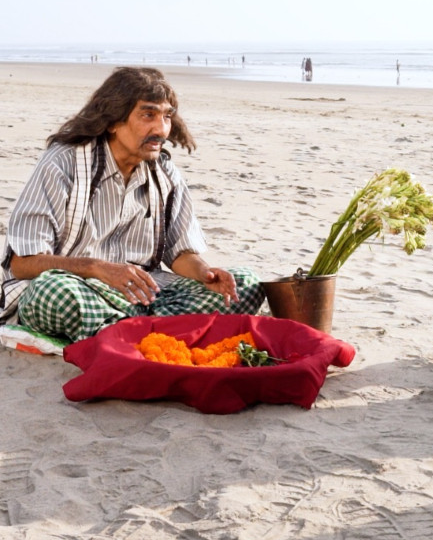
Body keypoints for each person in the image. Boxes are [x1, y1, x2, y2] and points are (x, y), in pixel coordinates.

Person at [0, 67, 265, 342]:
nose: (160, 128)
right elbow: (22, 263)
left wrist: (205, 273)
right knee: (52, 293)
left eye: (167, 116)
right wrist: (97, 268)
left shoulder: (165, 173)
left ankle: (131, 334)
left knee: (246, 283)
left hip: (145, 294)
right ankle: (157, 334)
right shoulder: (64, 163)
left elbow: (179, 254)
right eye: (148, 115)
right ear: (113, 121)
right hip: (78, 287)